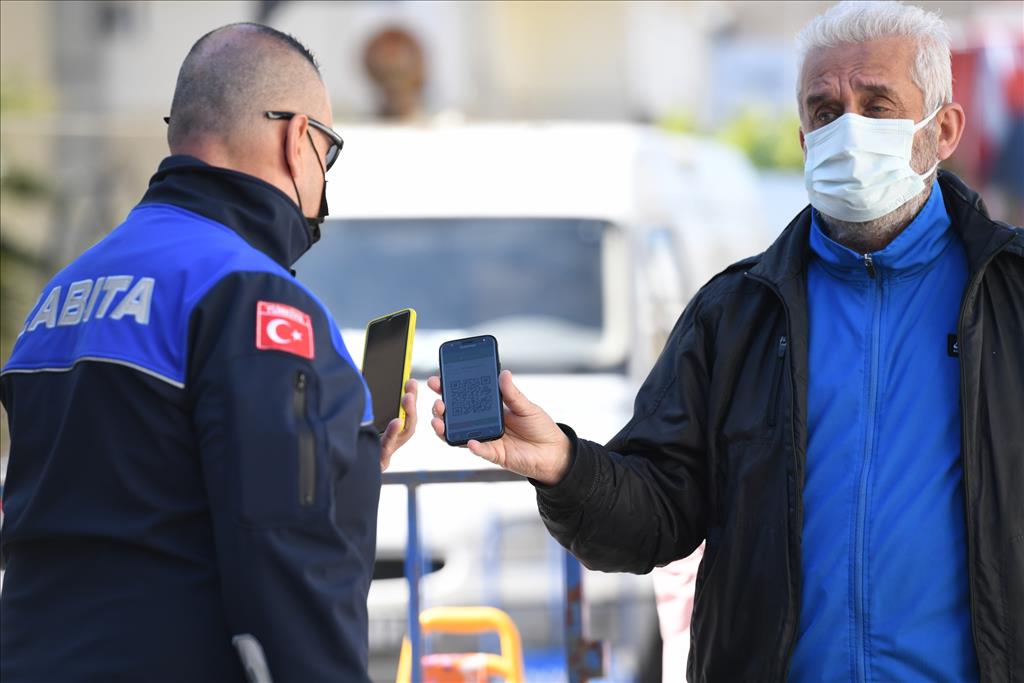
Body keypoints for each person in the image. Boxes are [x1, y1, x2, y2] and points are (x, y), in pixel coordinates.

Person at [428, 2, 1023, 681]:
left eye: (877, 105)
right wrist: (565, 465)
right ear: (804, 138)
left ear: (942, 130)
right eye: (825, 111)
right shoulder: (738, 314)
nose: (848, 129)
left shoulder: (1009, 298)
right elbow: (658, 510)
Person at [0, 23, 418, 682]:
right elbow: (287, 549)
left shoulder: (63, 291)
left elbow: (134, 488)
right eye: (327, 150)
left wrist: (346, 452)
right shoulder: (254, 297)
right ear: (297, 138)